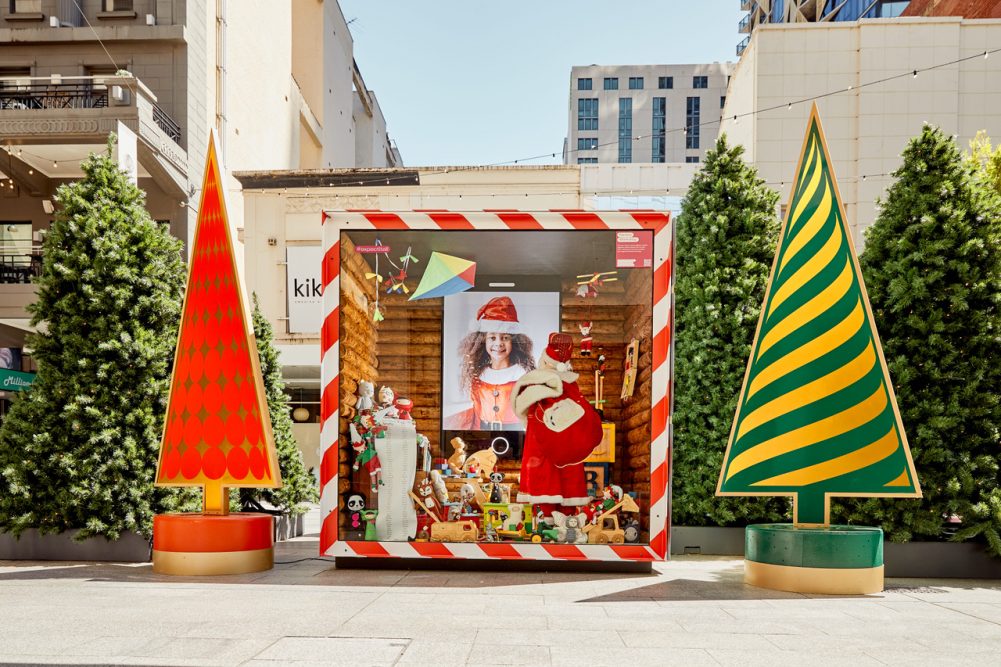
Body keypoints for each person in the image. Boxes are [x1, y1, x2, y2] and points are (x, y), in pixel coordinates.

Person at [444, 296, 536, 430]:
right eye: (492, 337)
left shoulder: (523, 377)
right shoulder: (479, 376)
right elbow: (476, 415)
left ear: (514, 342)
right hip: (484, 436)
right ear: (483, 342)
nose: (498, 343)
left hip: (515, 437)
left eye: (505, 337)